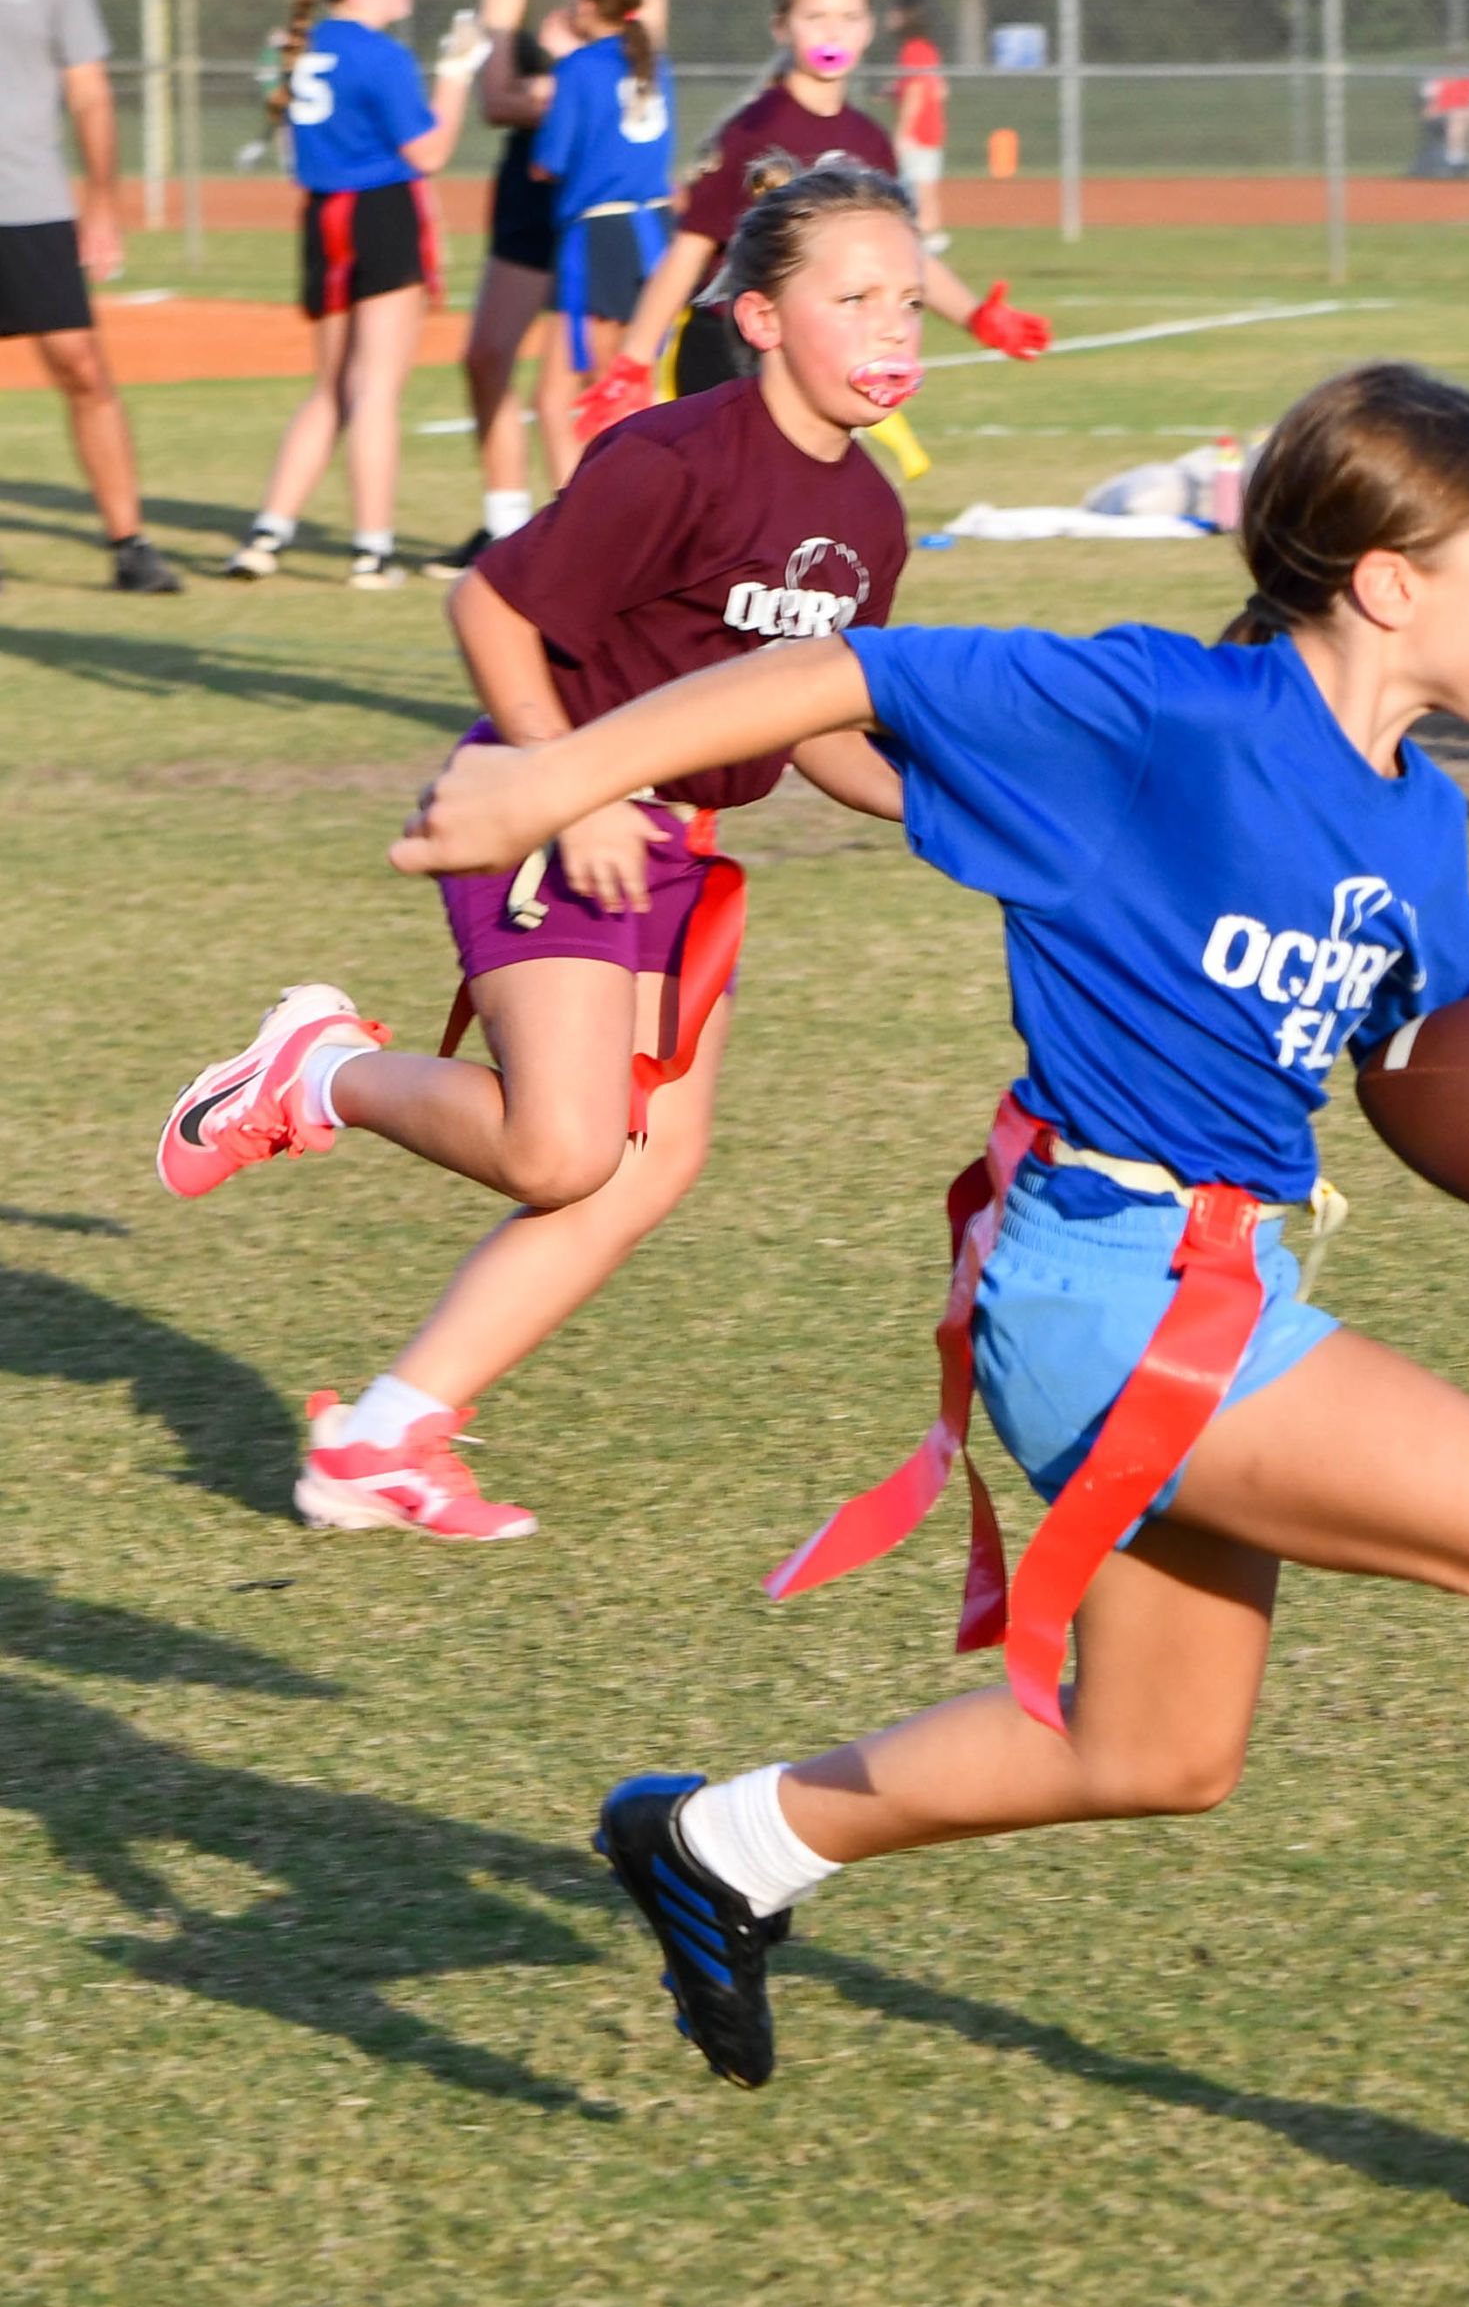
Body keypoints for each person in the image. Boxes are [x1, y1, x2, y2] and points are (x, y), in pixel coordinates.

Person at [378, 359, 1469, 2182]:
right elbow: (844, 670)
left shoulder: (1416, 817)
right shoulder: (1154, 710)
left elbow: (1456, 1051)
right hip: (1105, 1290)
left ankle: (726, 1844)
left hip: (1221, 1288)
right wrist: (550, 776)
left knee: (1153, 1747)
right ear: (1390, 579)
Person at [158, 161, 928, 1538]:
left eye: (910, 305)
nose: (891, 331)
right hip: (543, 804)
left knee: (644, 1165)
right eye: (854, 297)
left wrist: (955, 809)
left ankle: (383, 1437)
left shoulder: (871, 517)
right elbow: (495, 609)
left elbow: (811, 724)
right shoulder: (674, 458)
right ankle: (317, 1069)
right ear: (756, 317)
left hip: (680, 852)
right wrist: (569, 788)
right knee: (563, 1147)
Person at [603, 0, 1048, 425]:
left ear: (869, 29)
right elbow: (690, 249)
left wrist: (977, 316)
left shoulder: (870, 142)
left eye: (849, 17)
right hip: (736, 353)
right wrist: (632, 362)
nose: (833, 32)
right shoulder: (751, 130)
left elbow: (905, 257)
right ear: (782, 27)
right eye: (815, 17)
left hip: (823, 353)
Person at [234, 0, 471, 588]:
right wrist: (456, 75)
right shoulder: (382, 56)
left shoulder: (299, 46)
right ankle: (373, 550)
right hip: (381, 212)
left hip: (322, 217)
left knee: (331, 388)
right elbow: (429, 153)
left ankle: (266, 534)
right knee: (374, 392)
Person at [454, 0, 655, 572]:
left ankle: (601, 531)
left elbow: (637, 95)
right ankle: (506, 524)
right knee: (485, 356)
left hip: (604, 198)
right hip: (532, 187)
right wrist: (564, 91)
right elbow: (498, 101)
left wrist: (558, 85)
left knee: (589, 378)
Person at [0, 0, 171, 592]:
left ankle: (129, 542)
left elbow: (91, 94)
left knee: (82, 367)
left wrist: (103, 202)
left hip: (31, 201)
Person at [532, 0, 673, 465]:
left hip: (599, 232)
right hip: (655, 230)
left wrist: (562, 63)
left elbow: (550, 161)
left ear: (587, 4)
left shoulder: (579, 68)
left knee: (559, 397)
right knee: (634, 379)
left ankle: (585, 521)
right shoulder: (655, 62)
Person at [886, 0, 951, 248]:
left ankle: (927, 243)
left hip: (918, 131)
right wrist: (894, 90)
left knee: (919, 191)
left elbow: (917, 92)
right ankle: (932, 238)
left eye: (894, 13)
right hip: (932, 129)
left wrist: (903, 132)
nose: (889, 18)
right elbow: (941, 89)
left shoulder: (912, 50)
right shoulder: (927, 49)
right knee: (927, 189)